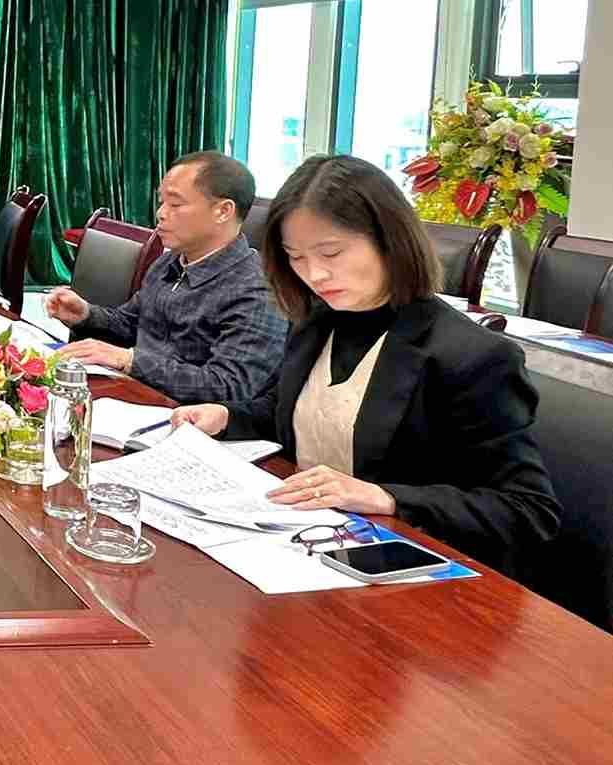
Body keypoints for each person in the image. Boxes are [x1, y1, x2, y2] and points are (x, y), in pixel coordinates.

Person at [170, 154, 560, 575]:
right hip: (306, 547)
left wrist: (387, 497)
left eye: (331, 252)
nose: (314, 275)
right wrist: (226, 416)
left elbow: (528, 511)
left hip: (414, 574)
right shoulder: (318, 322)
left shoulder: (471, 356)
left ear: (389, 239)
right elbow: (294, 411)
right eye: (295, 258)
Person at [47, 151, 286, 405]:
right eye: (161, 202)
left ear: (223, 211)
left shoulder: (257, 289)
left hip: (189, 423)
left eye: (175, 204)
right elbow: (131, 323)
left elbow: (228, 386)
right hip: (136, 397)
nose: (160, 213)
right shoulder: (170, 261)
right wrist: (85, 314)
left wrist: (129, 361)